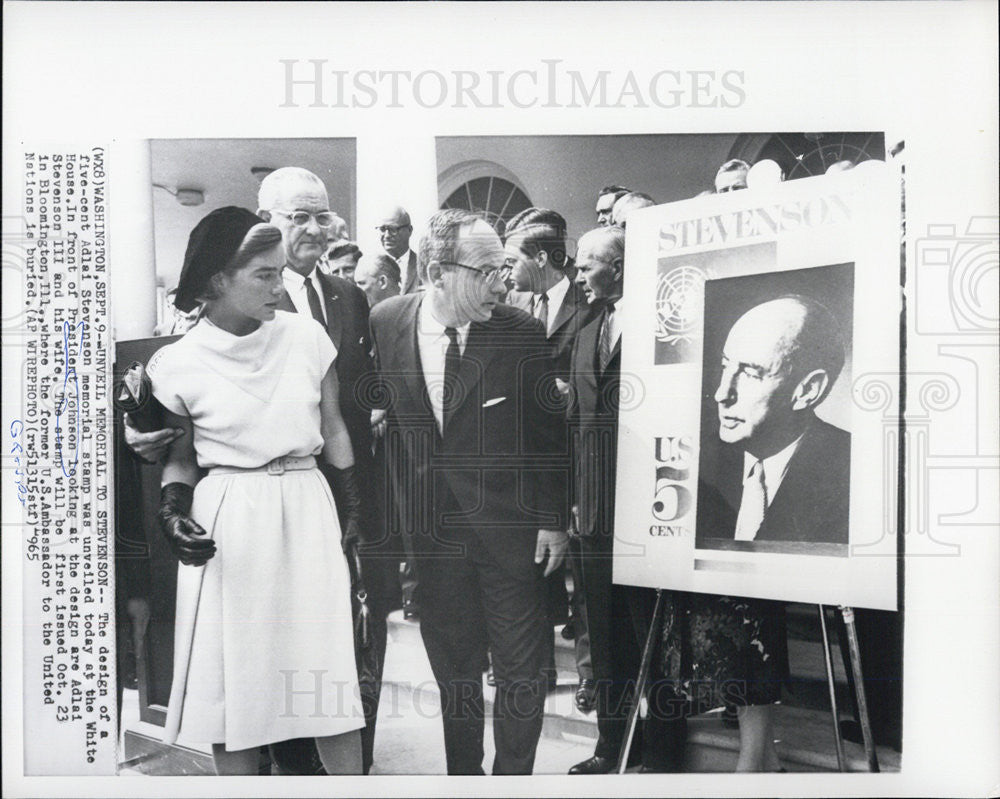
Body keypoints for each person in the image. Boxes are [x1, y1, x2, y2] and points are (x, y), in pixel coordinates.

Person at [125, 167, 392, 775]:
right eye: (265, 276)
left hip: (306, 506)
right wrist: (172, 514)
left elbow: (335, 430)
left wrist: (352, 512)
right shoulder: (177, 361)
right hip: (228, 520)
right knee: (235, 689)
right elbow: (178, 455)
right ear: (218, 280)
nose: (279, 287)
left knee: (327, 686)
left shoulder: (305, 336)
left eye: (279, 274)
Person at [368, 209, 569, 775]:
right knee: (453, 669)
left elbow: (548, 432)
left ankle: (512, 779)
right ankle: (464, 777)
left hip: (512, 532)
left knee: (520, 671)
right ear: (437, 271)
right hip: (432, 538)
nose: (502, 284)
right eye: (486, 271)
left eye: (504, 269)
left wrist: (554, 519)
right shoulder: (387, 321)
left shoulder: (519, 331)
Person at [566, 226, 687, 774]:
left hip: (651, 502)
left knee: (652, 635)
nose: (579, 273)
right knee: (607, 634)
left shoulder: (667, 323)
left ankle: (664, 754)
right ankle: (612, 747)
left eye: (589, 264)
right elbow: (577, 419)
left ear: (619, 266)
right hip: (593, 508)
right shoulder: (588, 322)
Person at [503, 207, 598, 709]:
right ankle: (535, 667)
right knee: (529, 564)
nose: (505, 271)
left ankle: (589, 673)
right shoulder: (514, 306)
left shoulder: (588, 306)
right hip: (527, 457)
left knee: (579, 570)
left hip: (575, 457)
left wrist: (563, 393)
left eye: (512, 259)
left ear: (541, 258)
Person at [696, 295, 850, 548]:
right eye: (726, 366)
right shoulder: (695, 459)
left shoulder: (855, 472)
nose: (721, 394)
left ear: (808, 390)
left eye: (750, 374)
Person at [376, 205, 421, 293]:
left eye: (393, 229)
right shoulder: (372, 268)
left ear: (409, 230)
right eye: (382, 229)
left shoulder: (423, 265)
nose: (387, 235)